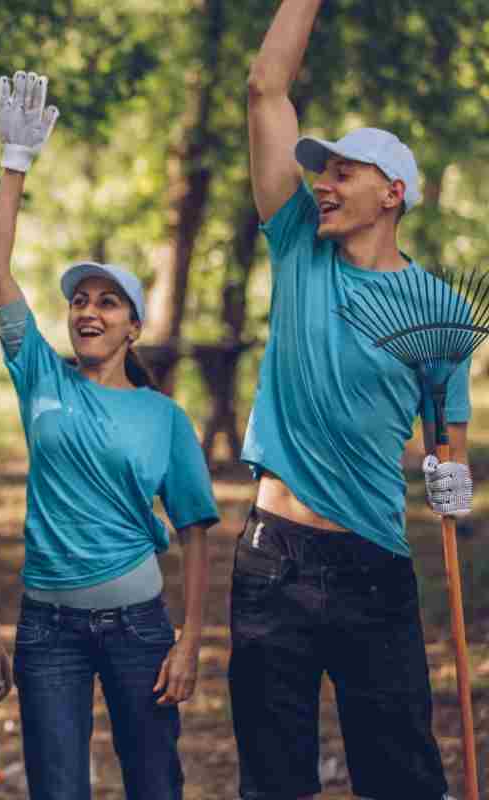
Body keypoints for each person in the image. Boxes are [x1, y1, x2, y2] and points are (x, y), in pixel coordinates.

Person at [233, 3, 471, 799]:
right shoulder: (298, 241)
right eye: (320, 170)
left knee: (401, 777)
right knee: (274, 779)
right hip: (274, 557)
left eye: (341, 172)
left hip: (374, 561)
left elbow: (450, 435)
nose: (322, 185)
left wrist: (453, 477)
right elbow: (266, 88)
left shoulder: (441, 311)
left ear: (392, 192)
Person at [0, 71, 217, 800]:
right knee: (58, 790)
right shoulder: (40, 378)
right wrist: (15, 165)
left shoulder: (164, 419)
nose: (89, 311)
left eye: (107, 302)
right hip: (48, 629)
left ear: (132, 325)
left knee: (154, 783)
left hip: (139, 628)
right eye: (80, 300)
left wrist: (189, 639)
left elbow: (197, 532)